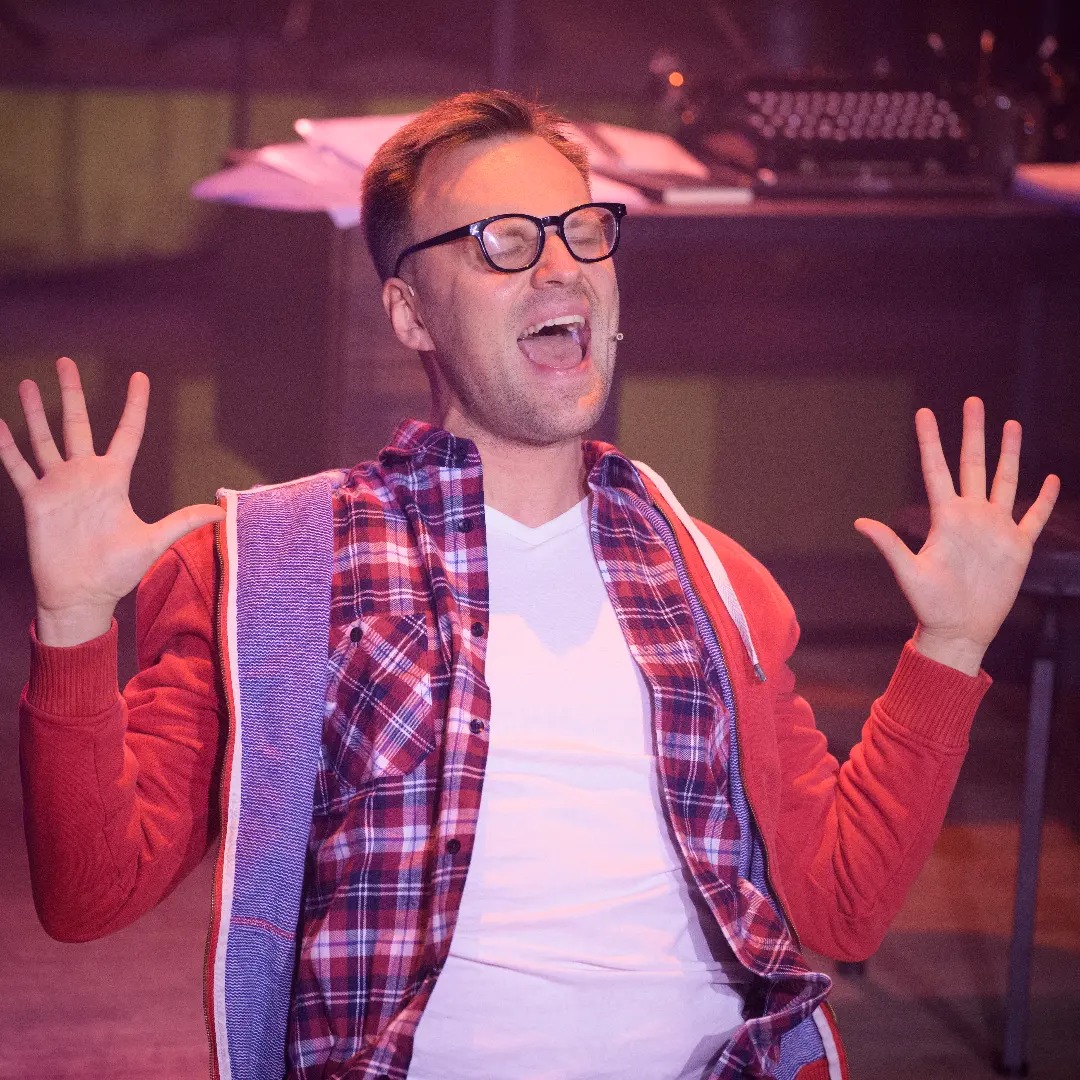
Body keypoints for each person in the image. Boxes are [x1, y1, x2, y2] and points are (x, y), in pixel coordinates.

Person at [1, 90, 1060, 1080]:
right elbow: (92, 894)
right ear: (409, 312)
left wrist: (949, 649)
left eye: (582, 230)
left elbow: (840, 909)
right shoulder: (277, 570)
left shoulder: (716, 584)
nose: (561, 268)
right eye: (502, 242)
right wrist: (75, 624)